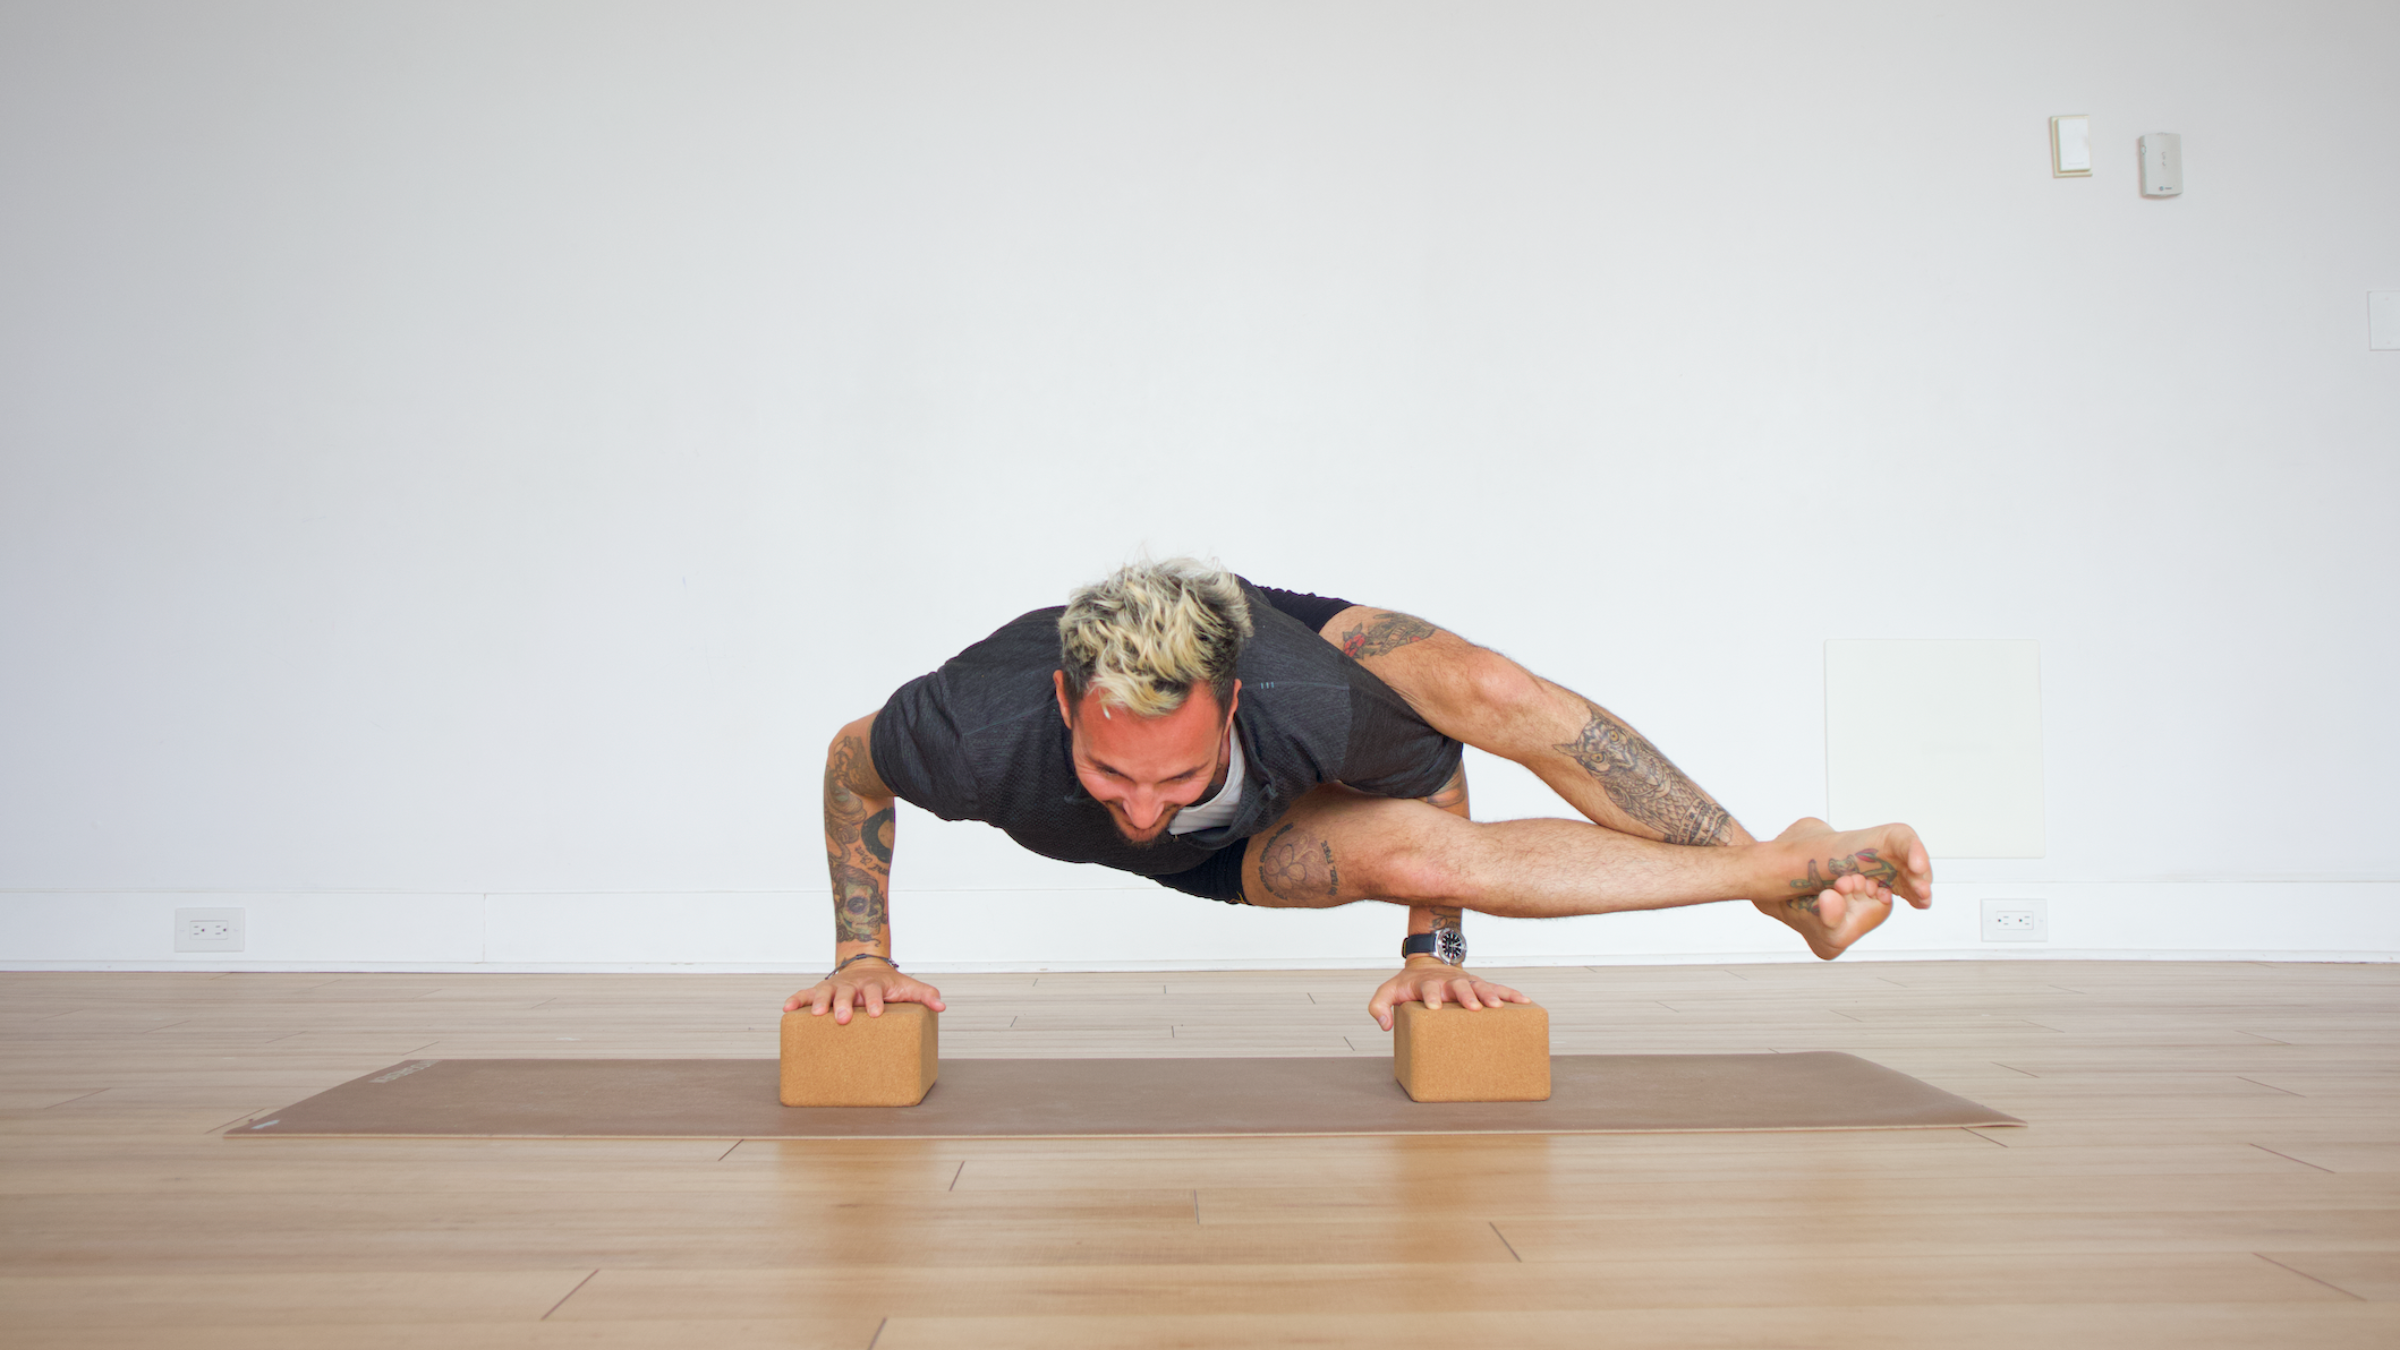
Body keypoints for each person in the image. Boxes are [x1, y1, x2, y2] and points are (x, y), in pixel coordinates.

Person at [785, 559, 1931, 1028]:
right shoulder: (966, 725)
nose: (1139, 806)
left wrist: (1434, 953)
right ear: (1059, 703)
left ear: (1229, 712)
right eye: (1107, 772)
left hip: (1290, 685)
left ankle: (1781, 876)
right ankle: (1786, 871)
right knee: (1407, 849)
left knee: (1483, 696)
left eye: (1175, 774)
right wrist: (861, 956)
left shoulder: (1310, 702)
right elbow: (851, 766)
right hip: (1233, 854)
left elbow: (1437, 778)